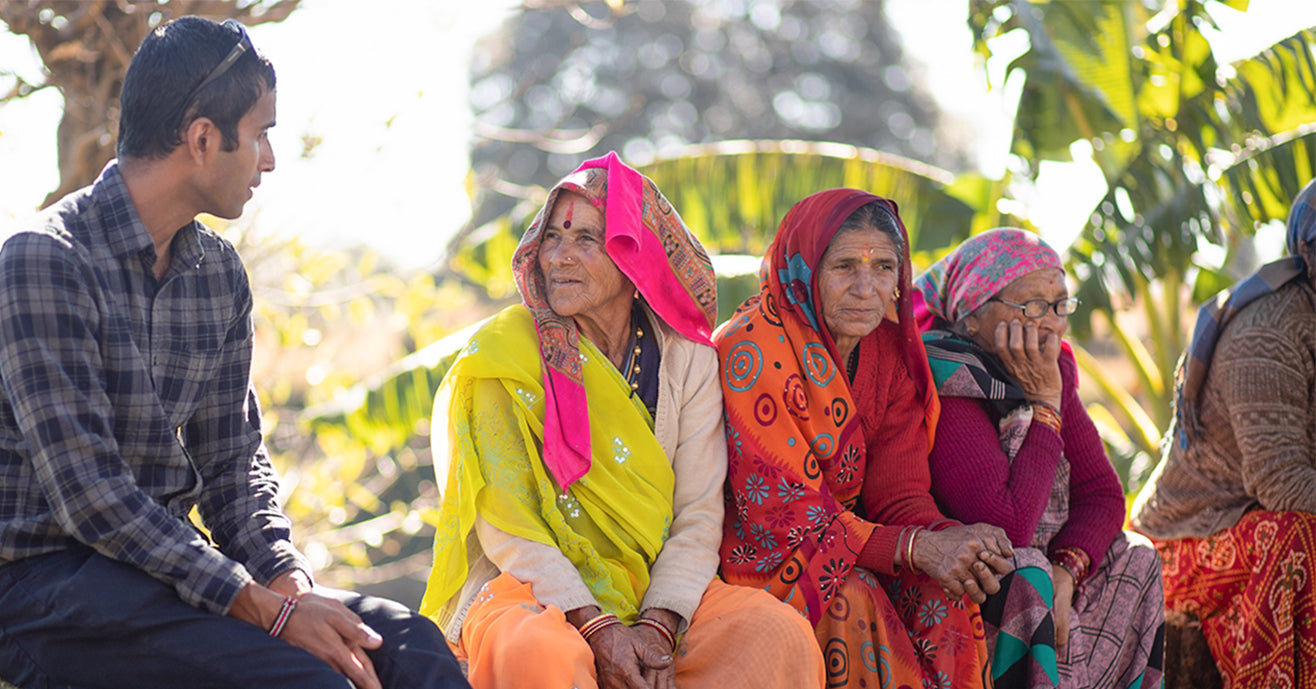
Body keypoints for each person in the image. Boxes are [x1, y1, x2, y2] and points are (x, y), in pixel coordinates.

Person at [0, 17, 466, 689]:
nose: (268, 159)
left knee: (408, 647)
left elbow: (233, 467)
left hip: (162, 579)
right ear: (202, 138)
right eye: (261, 133)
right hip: (46, 589)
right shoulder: (44, 261)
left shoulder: (217, 276)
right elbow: (91, 496)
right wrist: (264, 614)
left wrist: (290, 585)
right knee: (306, 679)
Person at [421, 152, 823, 689]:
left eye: (587, 239)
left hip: (659, 592)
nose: (559, 258)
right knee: (539, 654)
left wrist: (657, 625)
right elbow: (509, 527)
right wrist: (599, 627)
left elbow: (698, 513)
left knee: (774, 634)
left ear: (636, 258)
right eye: (552, 239)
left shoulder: (689, 361)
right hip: (532, 591)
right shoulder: (503, 357)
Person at [716, 188, 1021, 689]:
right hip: (762, 554)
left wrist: (951, 541)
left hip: (856, 542)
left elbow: (897, 496)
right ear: (806, 267)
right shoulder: (752, 347)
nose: (866, 288)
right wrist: (914, 548)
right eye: (843, 267)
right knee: (850, 597)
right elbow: (789, 515)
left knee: (948, 591)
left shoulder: (888, 350)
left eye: (883, 268)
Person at [913, 228, 1165, 689]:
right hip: (973, 581)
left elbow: (1104, 494)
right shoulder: (949, 377)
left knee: (1138, 557)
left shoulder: (1052, 365)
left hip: (1046, 571)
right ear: (973, 315)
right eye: (1030, 306)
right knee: (1027, 574)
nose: (1049, 322)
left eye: (1060, 305)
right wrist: (1045, 406)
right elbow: (1006, 528)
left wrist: (1068, 570)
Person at [1130, 179, 1316, 687]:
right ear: (1309, 250)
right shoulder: (1268, 332)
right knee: (1299, 539)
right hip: (1193, 533)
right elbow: (1283, 486)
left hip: (1257, 516)